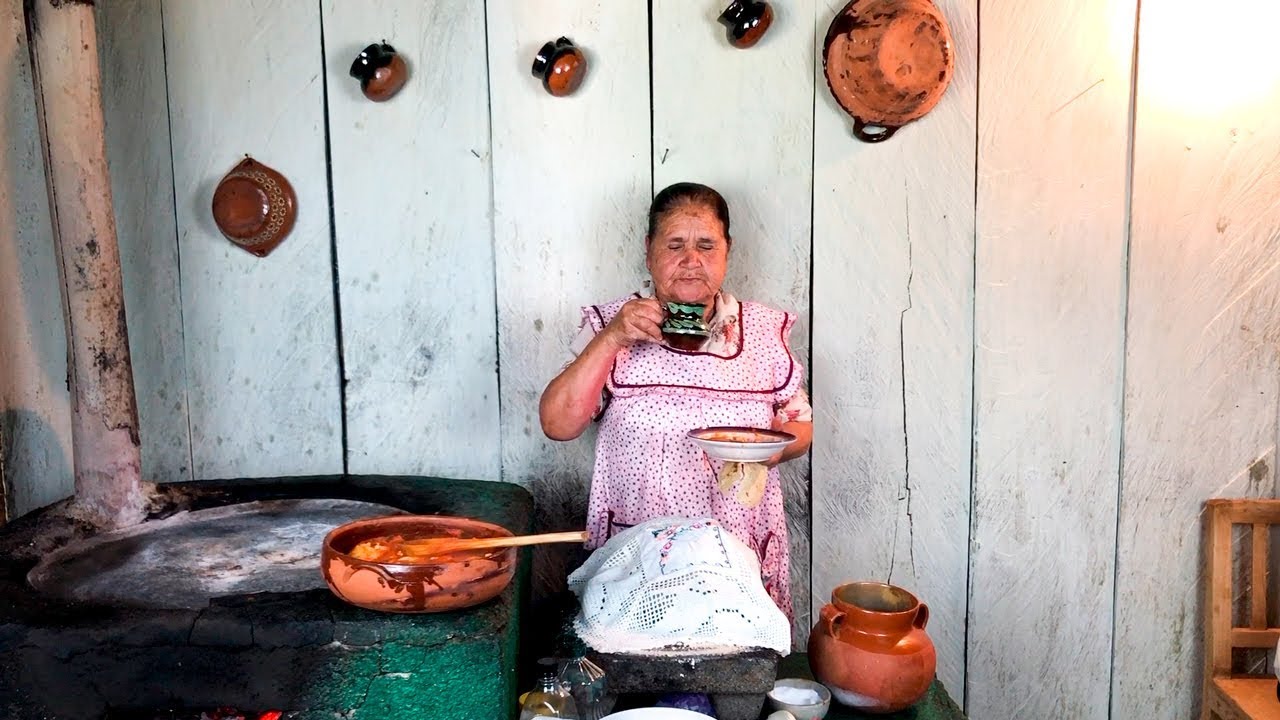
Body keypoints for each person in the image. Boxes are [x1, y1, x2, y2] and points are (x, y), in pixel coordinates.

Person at [538, 182, 813, 617]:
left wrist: (767, 450)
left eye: (706, 245)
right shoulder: (613, 326)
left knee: (733, 671)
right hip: (637, 557)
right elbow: (557, 423)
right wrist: (612, 338)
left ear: (727, 251)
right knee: (636, 666)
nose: (691, 261)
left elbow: (799, 425)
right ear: (649, 250)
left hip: (736, 556)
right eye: (675, 245)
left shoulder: (761, 331)